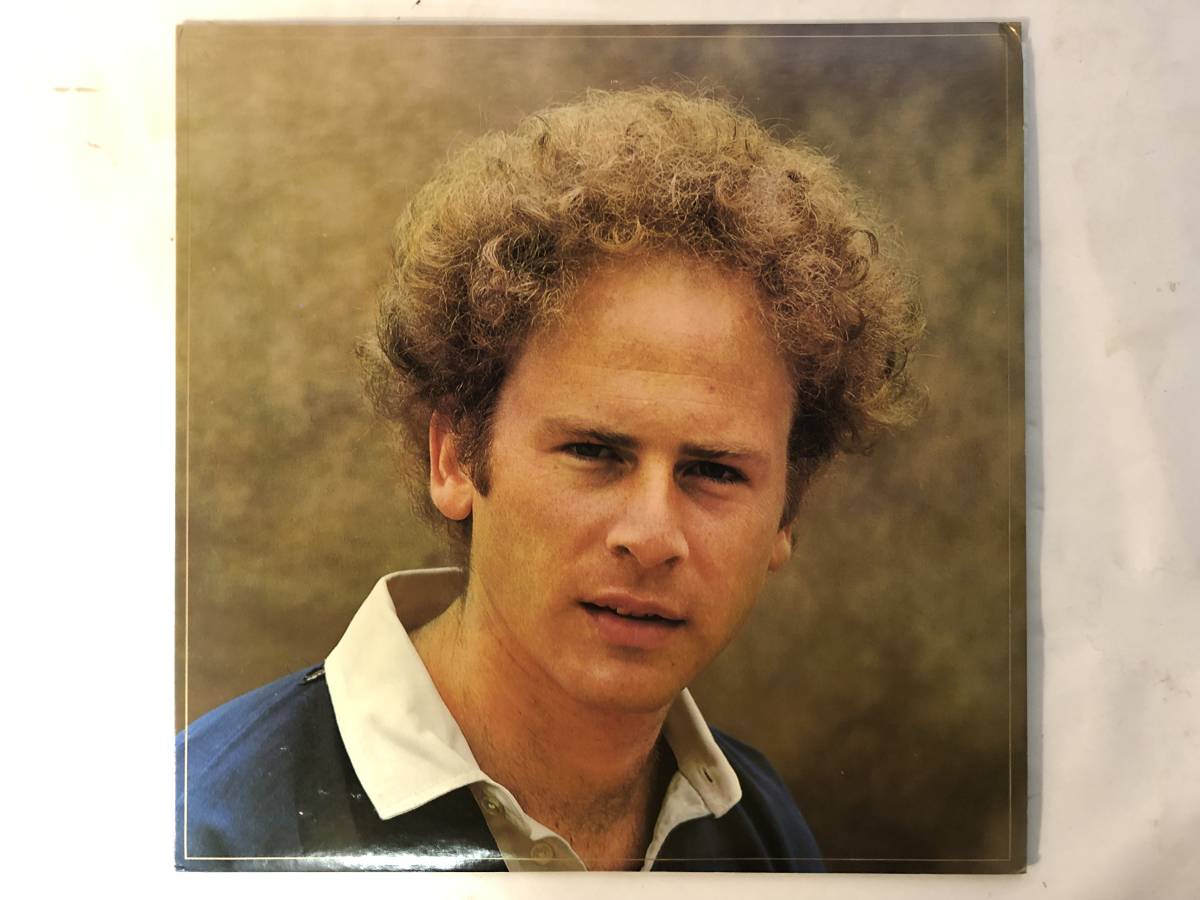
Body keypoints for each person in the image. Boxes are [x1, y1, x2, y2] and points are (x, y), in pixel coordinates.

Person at [176, 87, 922, 872]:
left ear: (785, 516)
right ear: (455, 457)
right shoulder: (206, 836)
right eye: (594, 452)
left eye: (714, 470)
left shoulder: (763, 832)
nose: (651, 537)